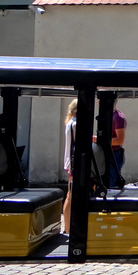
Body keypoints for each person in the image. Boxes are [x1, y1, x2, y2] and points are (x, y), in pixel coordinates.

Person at [62, 99, 77, 234]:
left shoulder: (70, 123)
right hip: (74, 163)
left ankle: (67, 228)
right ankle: (68, 228)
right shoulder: (76, 124)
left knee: (69, 195)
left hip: (69, 162)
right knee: (71, 196)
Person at [110, 102, 127, 187]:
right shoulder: (108, 115)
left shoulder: (118, 117)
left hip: (114, 155)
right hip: (107, 154)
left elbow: (120, 140)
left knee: (112, 185)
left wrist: (101, 140)